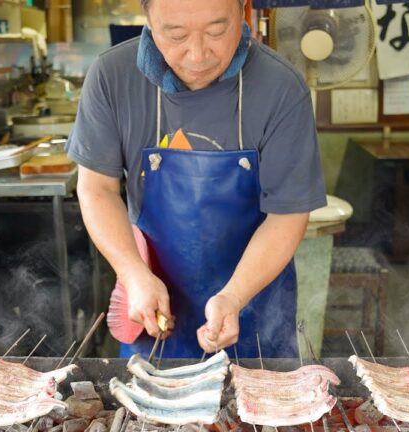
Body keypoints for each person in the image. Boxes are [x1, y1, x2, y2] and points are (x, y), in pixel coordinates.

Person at [68, 0, 326, 358]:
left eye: (217, 31)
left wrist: (234, 295)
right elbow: (97, 189)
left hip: (254, 311)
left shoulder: (281, 88)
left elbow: (288, 213)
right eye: (176, 34)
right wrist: (132, 273)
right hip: (153, 309)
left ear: (243, 10)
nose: (198, 54)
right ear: (149, 20)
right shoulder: (112, 77)